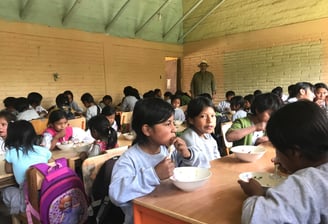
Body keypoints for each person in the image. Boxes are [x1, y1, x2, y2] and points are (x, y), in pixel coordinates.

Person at [109, 98, 201, 224]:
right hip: (143, 219)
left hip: (168, 214)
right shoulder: (129, 160)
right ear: (147, 130)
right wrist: (154, 175)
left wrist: (186, 155)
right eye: (168, 124)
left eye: (173, 123)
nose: (174, 129)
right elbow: (116, 194)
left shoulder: (165, 151)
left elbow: (187, 173)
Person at [238, 100, 328, 223]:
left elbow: (256, 218)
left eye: (277, 149)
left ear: (295, 152)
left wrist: (256, 194)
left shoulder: (307, 182)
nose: (277, 157)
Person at [2, 120, 52, 214]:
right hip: (48, 195)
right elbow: (52, 165)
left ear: (11, 137)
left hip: (28, 199)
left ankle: (20, 213)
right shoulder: (43, 150)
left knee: (6, 192)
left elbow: (8, 170)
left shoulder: (12, 152)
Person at [180, 96, 221, 168]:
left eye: (212, 116)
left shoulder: (208, 136)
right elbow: (199, 166)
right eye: (203, 116)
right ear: (191, 120)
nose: (210, 120)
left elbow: (216, 158)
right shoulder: (189, 138)